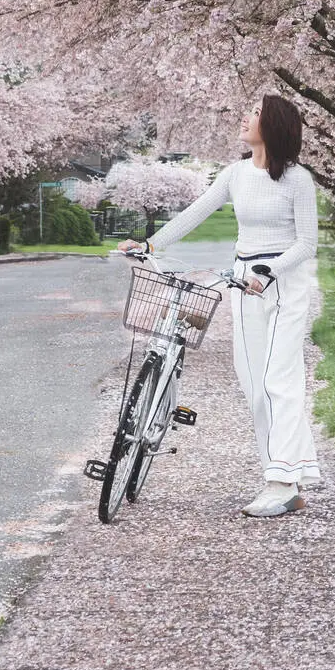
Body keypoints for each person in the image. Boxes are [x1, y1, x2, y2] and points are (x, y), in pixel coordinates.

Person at [118, 94, 320, 518]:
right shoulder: (235, 173)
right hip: (240, 283)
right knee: (253, 385)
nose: (246, 118)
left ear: (275, 125)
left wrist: (268, 272)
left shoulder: (298, 180)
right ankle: (284, 472)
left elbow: (307, 243)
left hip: (281, 284)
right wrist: (151, 244)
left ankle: (281, 483)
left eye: (256, 113)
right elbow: (196, 213)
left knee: (277, 380)